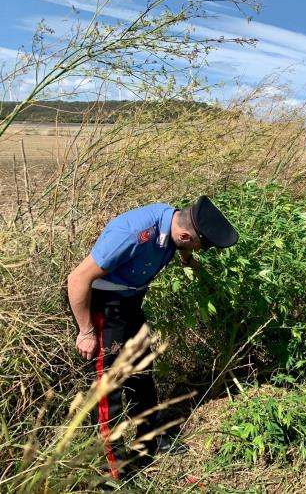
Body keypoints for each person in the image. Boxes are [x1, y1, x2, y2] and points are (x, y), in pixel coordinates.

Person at [67, 196, 238, 480]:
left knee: (143, 372)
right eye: (199, 245)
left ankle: (151, 438)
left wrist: (188, 259)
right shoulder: (133, 234)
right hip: (103, 307)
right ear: (186, 235)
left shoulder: (173, 227)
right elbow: (77, 279)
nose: (199, 250)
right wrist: (85, 332)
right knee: (108, 385)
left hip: (130, 302)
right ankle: (114, 467)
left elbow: (180, 245)